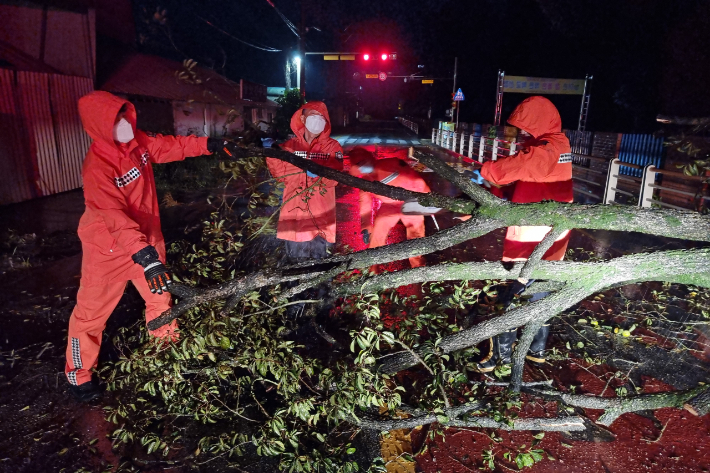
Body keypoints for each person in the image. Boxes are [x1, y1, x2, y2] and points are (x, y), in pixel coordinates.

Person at [66, 91, 236, 401]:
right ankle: (78, 374)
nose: (124, 125)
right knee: (90, 316)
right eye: (116, 121)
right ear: (100, 126)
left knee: (160, 300)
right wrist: (146, 256)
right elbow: (114, 216)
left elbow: (168, 146)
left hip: (147, 241)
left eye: (124, 118)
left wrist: (207, 144)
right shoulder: (97, 167)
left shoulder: (137, 144)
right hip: (109, 250)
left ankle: (165, 355)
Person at [471, 96, 573, 373]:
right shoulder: (557, 145)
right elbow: (527, 183)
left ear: (538, 123)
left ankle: (498, 357)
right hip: (551, 232)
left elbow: (512, 170)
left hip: (533, 234)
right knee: (538, 291)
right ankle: (534, 350)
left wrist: (485, 171)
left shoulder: (546, 148)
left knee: (512, 292)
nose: (523, 133)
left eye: (526, 127)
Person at [266, 102, 344, 264]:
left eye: (321, 117)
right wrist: (271, 154)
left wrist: (318, 172)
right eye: (313, 116)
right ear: (302, 118)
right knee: (295, 268)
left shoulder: (332, 147)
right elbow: (280, 176)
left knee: (320, 267)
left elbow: (334, 180)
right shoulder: (288, 147)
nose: (318, 120)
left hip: (320, 218)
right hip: (295, 217)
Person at [348, 147, 431, 270]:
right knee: (378, 231)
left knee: (416, 234)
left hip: (411, 201)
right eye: (360, 164)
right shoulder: (365, 181)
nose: (364, 166)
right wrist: (366, 227)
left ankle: (418, 267)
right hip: (390, 206)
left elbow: (415, 180)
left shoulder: (392, 164)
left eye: (363, 162)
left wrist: (426, 196)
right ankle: (373, 268)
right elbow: (365, 203)